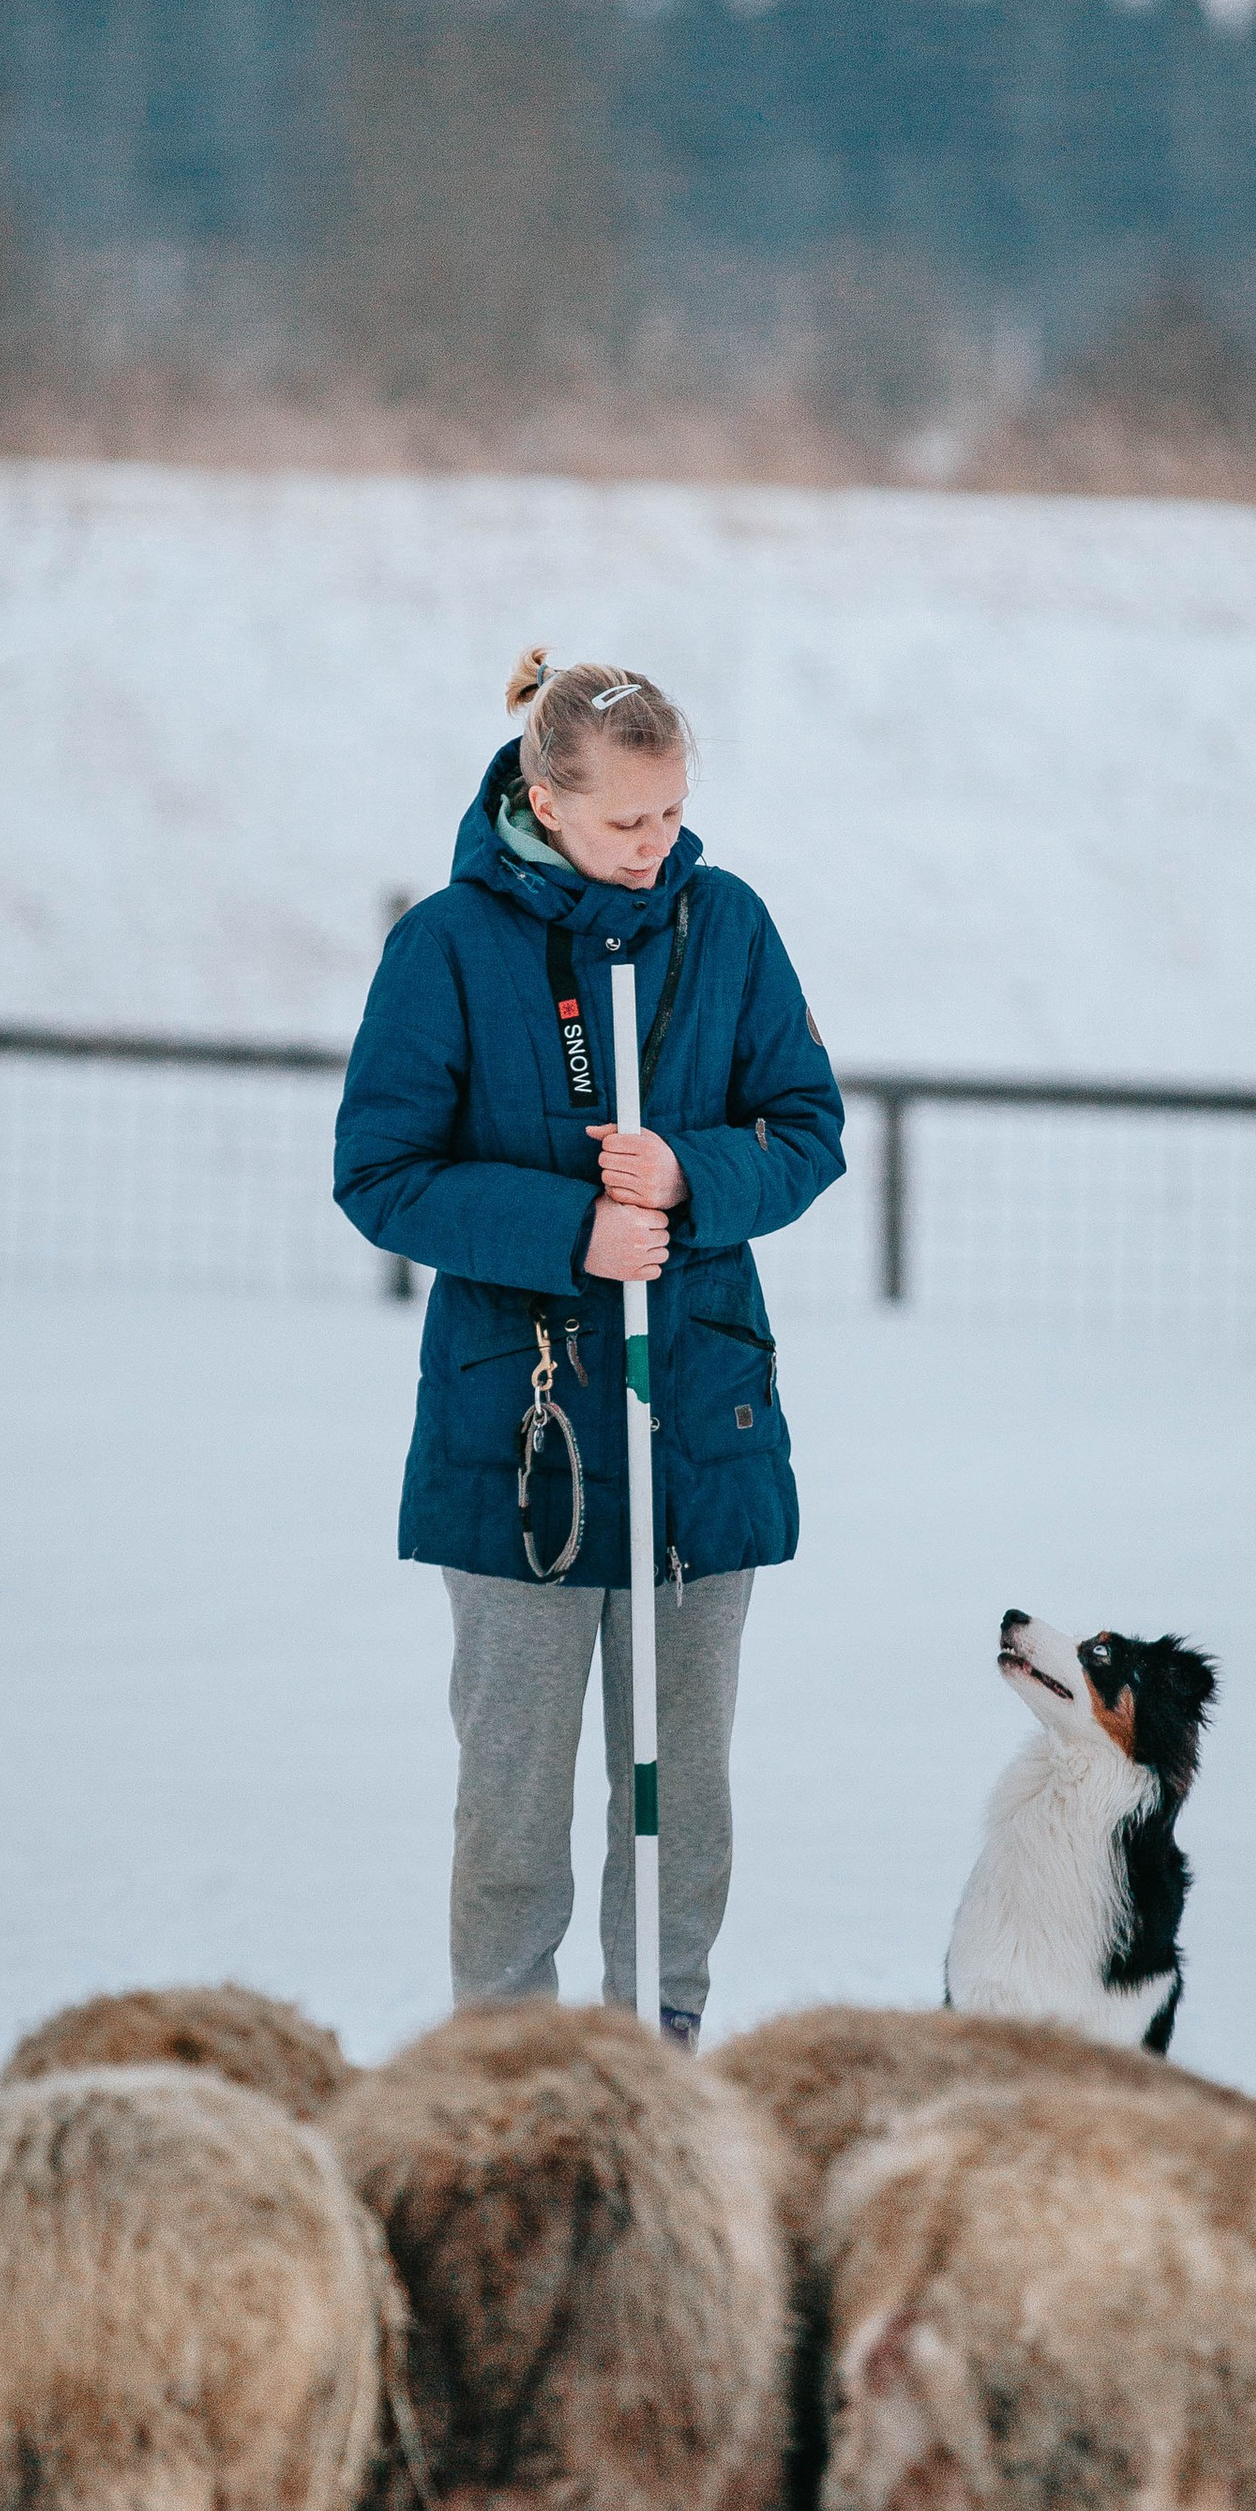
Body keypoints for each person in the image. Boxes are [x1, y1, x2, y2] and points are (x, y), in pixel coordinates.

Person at [334, 648, 845, 2044]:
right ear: (546, 799)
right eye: (629, 820)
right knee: (512, 1794)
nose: (657, 845)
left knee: (679, 1789)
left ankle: (658, 2047)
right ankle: (504, 2067)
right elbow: (381, 1172)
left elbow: (809, 1129)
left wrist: (689, 1177)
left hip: (701, 1427)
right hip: (519, 1444)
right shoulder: (447, 946)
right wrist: (573, 1232)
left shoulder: (726, 926)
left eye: (674, 813)